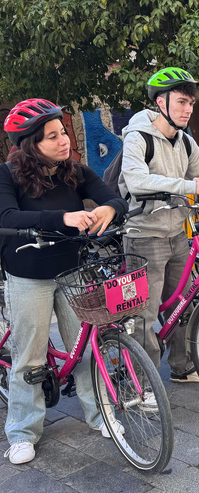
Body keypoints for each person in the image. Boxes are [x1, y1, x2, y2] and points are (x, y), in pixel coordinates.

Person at [0, 99, 129, 464]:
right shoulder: (7, 175)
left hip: (74, 272)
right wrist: (66, 217)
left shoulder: (75, 171)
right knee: (30, 357)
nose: (64, 141)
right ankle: (23, 432)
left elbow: (113, 198)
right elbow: (7, 215)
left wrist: (107, 208)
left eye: (64, 132)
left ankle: (100, 412)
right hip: (29, 275)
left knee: (88, 347)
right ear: (30, 144)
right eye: (52, 136)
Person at [119, 67, 199, 384]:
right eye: (181, 102)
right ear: (160, 102)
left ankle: (183, 366)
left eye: (190, 103)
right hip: (144, 237)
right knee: (144, 316)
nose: (187, 109)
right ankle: (142, 382)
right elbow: (136, 181)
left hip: (178, 234)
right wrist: (191, 187)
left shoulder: (185, 141)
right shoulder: (138, 138)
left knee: (184, 304)